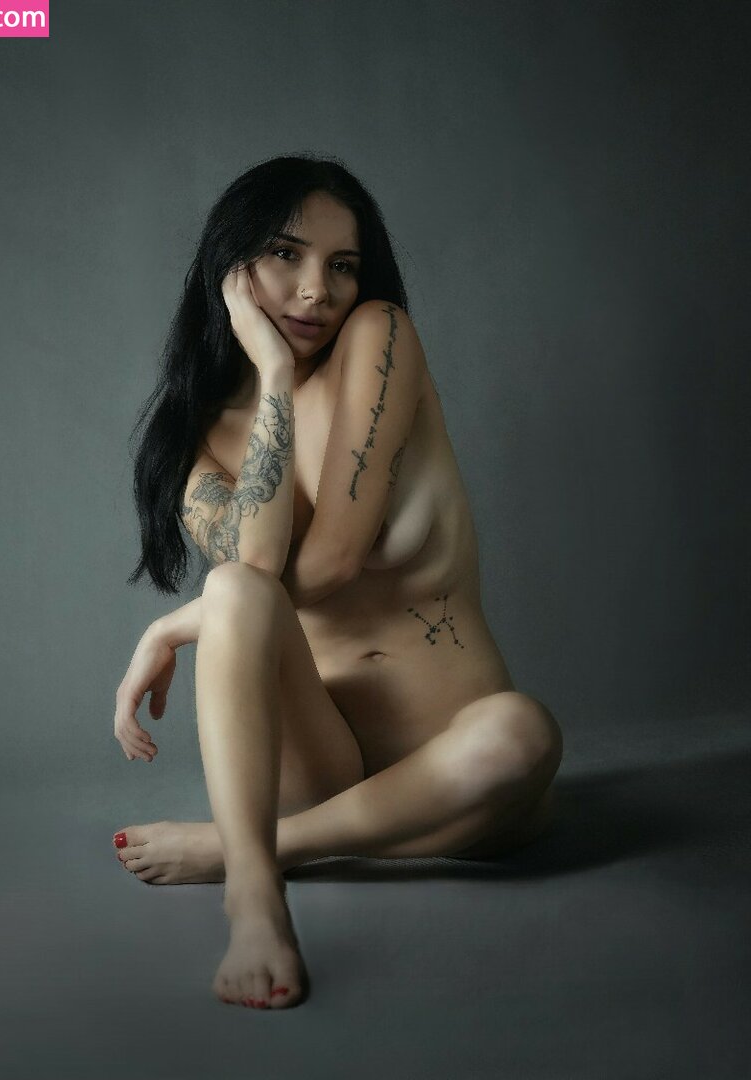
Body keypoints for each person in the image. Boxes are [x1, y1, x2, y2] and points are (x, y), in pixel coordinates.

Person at [111, 155, 563, 1011]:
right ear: (230, 268)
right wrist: (273, 377)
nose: (317, 289)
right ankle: (255, 900)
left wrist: (172, 625)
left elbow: (332, 562)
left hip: (467, 780)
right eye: (286, 254)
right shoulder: (195, 441)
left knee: (522, 731)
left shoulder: (378, 338)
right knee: (237, 590)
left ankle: (242, 849)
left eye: (342, 264)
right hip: (319, 772)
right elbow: (257, 574)